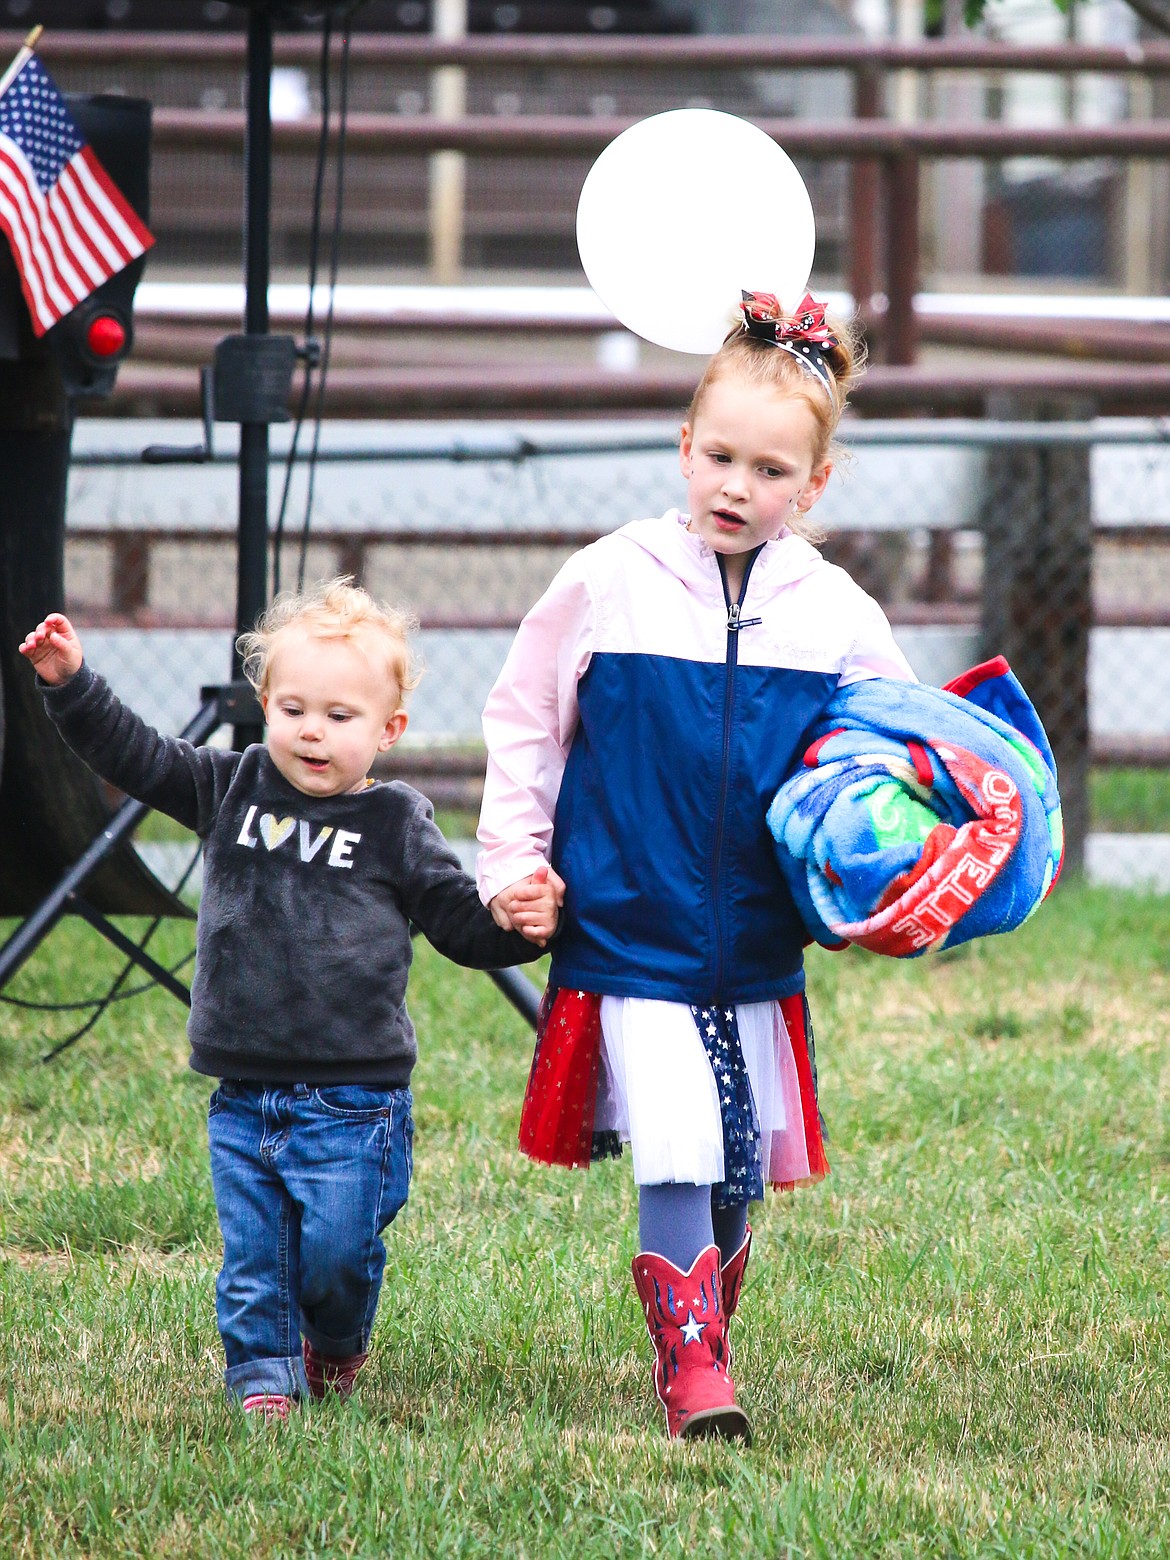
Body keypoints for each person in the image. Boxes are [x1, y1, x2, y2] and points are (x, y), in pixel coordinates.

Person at [477, 292, 914, 1443]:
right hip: (631, 921)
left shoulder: (836, 615)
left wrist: (902, 867)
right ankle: (691, 1368)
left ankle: (710, 1311)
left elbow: (892, 756)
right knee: (674, 1135)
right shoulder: (608, 580)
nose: (736, 485)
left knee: (736, 1162)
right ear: (683, 446)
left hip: (758, 941)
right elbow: (525, 720)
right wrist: (514, 860)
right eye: (718, 455)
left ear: (812, 486)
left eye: (770, 469)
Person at [21, 579, 559, 1423]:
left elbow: (459, 924)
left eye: (341, 717)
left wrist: (519, 928)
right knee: (254, 1260)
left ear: (389, 732)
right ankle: (264, 1381)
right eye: (294, 708)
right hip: (243, 1090)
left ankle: (338, 1340)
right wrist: (71, 682)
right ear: (266, 705)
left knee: (338, 1259)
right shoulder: (228, 786)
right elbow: (136, 754)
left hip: (356, 1100)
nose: (313, 730)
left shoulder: (395, 821)